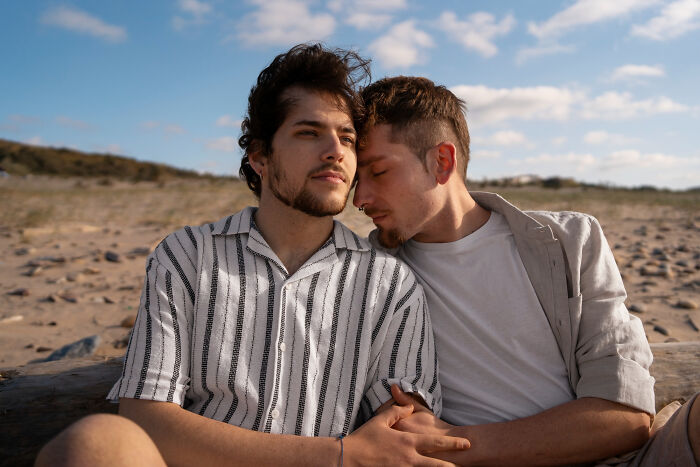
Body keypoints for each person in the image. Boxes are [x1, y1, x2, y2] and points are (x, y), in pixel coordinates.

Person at [35, 46, 469, 467]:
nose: (336, 150)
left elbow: (402, 424)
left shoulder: (388, 282)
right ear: (260, 156)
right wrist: (337, 455)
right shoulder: (188, 255)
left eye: (347, 138)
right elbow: (145, 417)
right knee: (96, 441)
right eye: (308, 132)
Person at [353, 76, 700, 466]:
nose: (360, 198)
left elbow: (626, 417)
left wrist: (457, 442)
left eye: (378, 172)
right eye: (355, 180)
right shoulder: (370, 274)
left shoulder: (570, 240)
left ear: (442, 162)